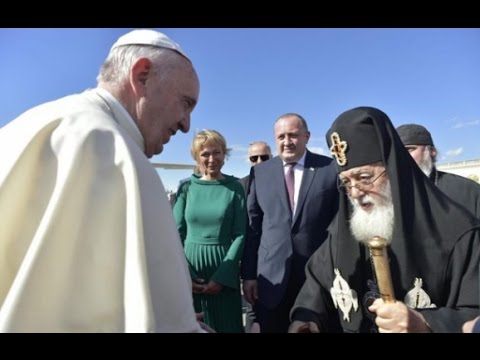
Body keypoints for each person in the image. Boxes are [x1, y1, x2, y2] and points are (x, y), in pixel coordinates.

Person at [0, 29, 207, 332]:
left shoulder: (24, 124)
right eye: (186, 103)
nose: (187, 124)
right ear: (142, 75)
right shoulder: (108, 148)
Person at [289, 106, 480, 333]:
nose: (356, 192)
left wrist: (426, 323)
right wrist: (307, 319)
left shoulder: (458, 232)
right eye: (347, 182)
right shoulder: (343, 230)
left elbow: (474, 313)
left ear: (395, 171)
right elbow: (316, 286)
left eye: (364, 177)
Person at [241, 113, 339, 332]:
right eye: (281, 136)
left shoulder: (329, 169)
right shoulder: (260, 172)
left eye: (293, 135)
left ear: (307, 136)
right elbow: (253, 228)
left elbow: (339, 228)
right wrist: (248, 275)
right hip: (271, 280)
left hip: (316, 278)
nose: (287, 142)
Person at [173, 129, 247, 333]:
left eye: (217, 152)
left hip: (224, 268)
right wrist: (186, 273)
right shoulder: (186, 188)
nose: (212, 159)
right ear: (197, 157)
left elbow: (240, 234)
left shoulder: (235, 187)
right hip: (190, 271)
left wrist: (222, 276)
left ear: (225, 155)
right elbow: (175, 233)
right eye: (205, 154)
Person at [397, 123, 480, 217]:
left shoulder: (469, 191)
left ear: (432, 151)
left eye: (409, 150)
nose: (402, 156)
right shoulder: (390, 193)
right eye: (397, 152)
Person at [238, 141, 272, 333]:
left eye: (264, 157)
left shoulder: (283, 182)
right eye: (254, 158)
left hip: (275, 260)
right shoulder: (240, 186)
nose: (259, 161)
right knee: (253, 313)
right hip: (251, 262)